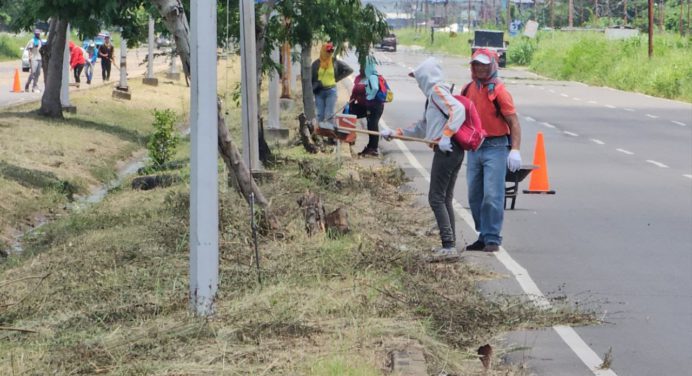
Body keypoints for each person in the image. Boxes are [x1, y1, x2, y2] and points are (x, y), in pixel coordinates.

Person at [381, 57, 466, 262]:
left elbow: (459, 111)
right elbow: (423, 126)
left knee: (435, 198)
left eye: (419, 78)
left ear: (426, 77)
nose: (418, 82)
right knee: (444, 198)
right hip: (450, 149)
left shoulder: (437, 91)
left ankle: (448, 245)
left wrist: (446, 136)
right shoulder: (434, 95)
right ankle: (450, 244)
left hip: (447, 149)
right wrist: (396, 132)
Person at [463, 48, 522, 253]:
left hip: (496, 147)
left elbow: (513, 122)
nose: (479, 68)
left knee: (492, 195)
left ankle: (492, 237)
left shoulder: (499, 91)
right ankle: (483, 234)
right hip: (474, 147)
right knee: (474, 195)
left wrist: (515, 150)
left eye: (484, 65)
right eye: (476, 64)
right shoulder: (468, 89)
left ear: (492, 66)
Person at [347, 55, 385, 157]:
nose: (361, 69)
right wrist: (350, 103)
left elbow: (375, 89)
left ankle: (373, 148)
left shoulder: (373, 77)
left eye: (363, 67)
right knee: (348, 113)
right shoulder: (358, 78)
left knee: (372, 124)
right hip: (363, 106)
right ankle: (349, 137)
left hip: (375, 106)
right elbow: (354, 92)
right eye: (360, 66)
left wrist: (370, 96)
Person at [311, 42, 353, 126]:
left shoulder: (334, 62)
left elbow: (349, 70)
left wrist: (337, 79)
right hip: (319, 92)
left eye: (331, 52)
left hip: (331, 91)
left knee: (329, 114)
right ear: (323, 51)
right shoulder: (316, 64)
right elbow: (311, 78)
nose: (329, 53)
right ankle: (320, 134)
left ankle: (330, 136)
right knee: (320, 115)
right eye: (328, 51)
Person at [24, 29, 43, 93]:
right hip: (33, 58)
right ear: (35, 34)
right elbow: (29, 49)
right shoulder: (32, 41)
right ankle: (27, 84)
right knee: (33, 72)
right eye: (36, 34)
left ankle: (34, 86)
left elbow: (41, 49)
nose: (38, 34)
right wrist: (29, 57)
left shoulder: (40, 41)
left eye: (38, 33)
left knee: (38, 73)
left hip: (39, 58)